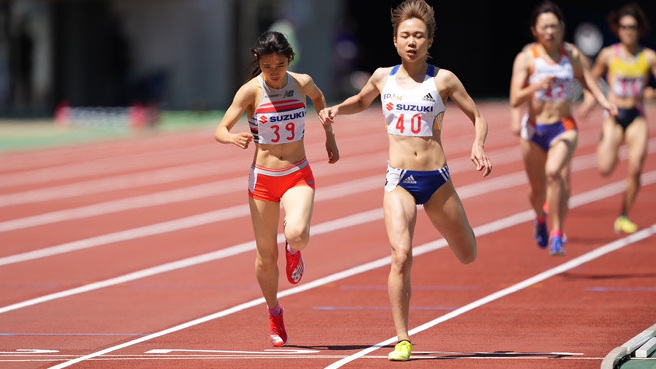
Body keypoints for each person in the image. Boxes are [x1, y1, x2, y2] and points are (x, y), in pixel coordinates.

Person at [319, 0, 492, 361]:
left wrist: (478, 142)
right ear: (396, 41)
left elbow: (478, 115)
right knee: (401, 255)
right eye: (405, 36)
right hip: (398, 179)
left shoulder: (443, 79)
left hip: (438, 180)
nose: (412, 42)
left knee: (469, 255)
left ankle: (462, 240)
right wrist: (337, 109)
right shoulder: (383, 76)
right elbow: (361, 100)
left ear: (430, 42)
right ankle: (402, 338)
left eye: (419, 36)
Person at [214, 31, 339, 347]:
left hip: (297, 172)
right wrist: (232, 138)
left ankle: (294, 250)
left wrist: (329, 136)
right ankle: (275, 311)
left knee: (296, 232)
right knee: (265, 256)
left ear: (289, 60)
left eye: (280, 65)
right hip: (263, 180)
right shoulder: (250, 92)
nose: (274, 71)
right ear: (258, 61)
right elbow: (221, 128)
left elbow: (321, 100)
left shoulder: (302, 83)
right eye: (268, 65)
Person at [509, 0, 617, 255]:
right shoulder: (527, 58)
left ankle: (558, 233)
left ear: (562, 28)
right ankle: (540, 219)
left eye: (554, 27)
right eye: (545, 27)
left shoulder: (572, 55)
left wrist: (604, 102)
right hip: (535, 129)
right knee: (536, 190)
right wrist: (538, 86)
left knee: (555, 173)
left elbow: (588, 80)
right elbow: (515, 98)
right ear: (535, 30)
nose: (550, 32)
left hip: (563, 127)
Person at [578, 3, 656, 234]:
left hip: (636, 116)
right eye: (623, 27)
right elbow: (592, 80)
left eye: (632, 27)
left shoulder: (648, 57)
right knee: (605, 168)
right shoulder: (609, 54)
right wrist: (589, 103)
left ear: (640, 29)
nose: (628, 31)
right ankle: (606, 142)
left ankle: (623, 216)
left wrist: (651, 92)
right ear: (617, 29)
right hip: (613, 116)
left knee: (636, 165)